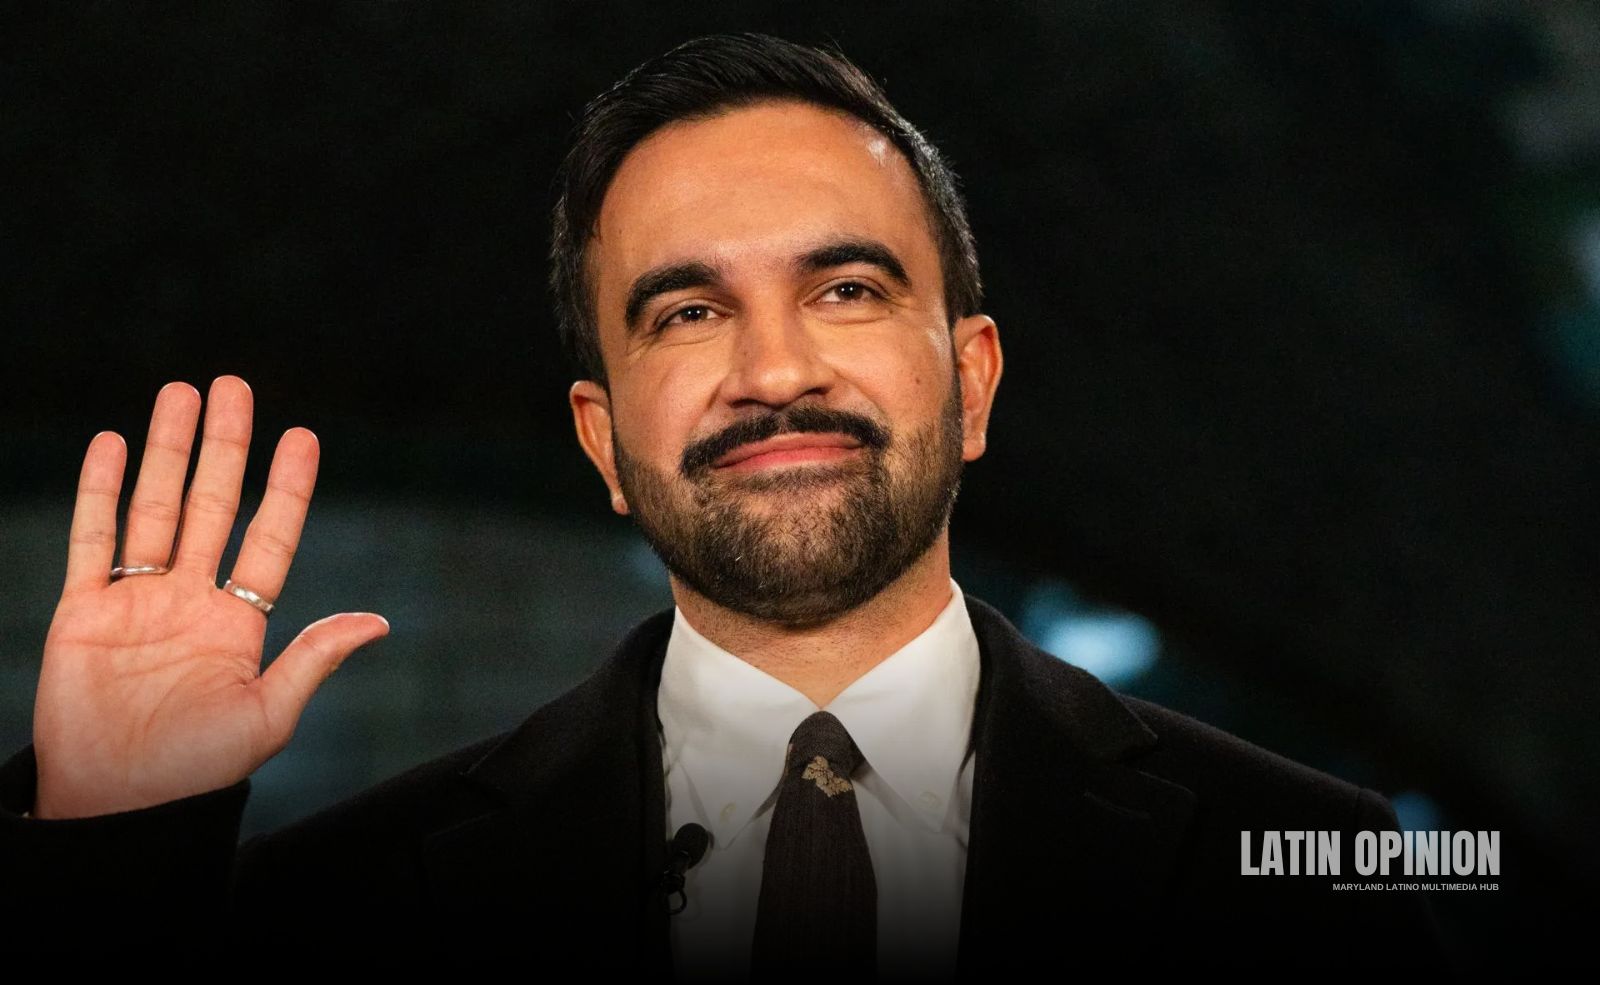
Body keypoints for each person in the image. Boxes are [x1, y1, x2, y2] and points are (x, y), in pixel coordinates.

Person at [0, 33, 1441, 976]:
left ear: (973, 381)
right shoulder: (340, 910)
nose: (774, 371)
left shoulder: (1315, 873)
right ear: (601, 439)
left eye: (847, 289)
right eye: (687, 312)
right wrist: (110, 846)